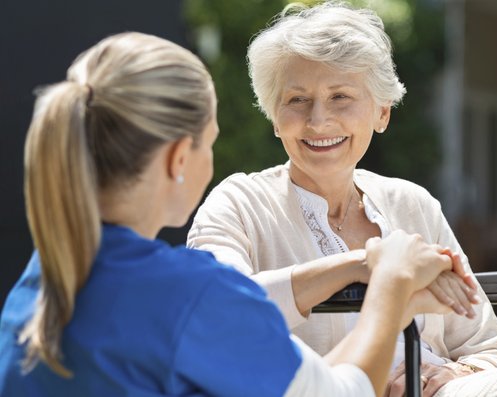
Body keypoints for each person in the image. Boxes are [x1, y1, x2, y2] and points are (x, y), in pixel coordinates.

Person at [0, 32, 472, 397]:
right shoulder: (189, 293)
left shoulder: (43, 279)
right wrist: (389, 285)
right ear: (179, 158)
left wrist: (374, 277)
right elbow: (340, 394)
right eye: (212, 140)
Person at [187, 2, 497, 396]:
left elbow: (489, 349)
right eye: (296, 100)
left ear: (382, 113)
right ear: (275, 118)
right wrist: (364, 265)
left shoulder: (413, 204)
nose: (318, 120)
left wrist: (451, 377)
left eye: (340, 96)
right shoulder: (238, 203)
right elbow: (219, 315)